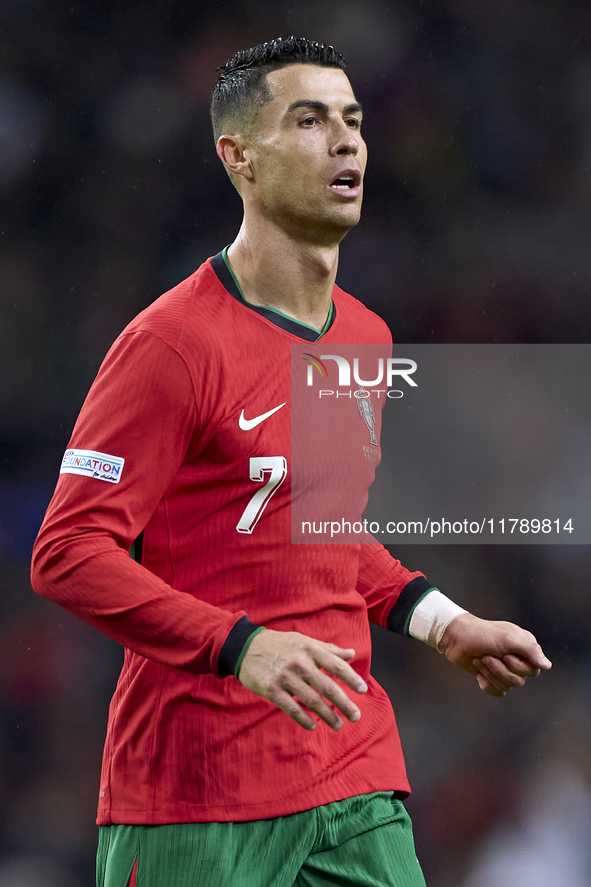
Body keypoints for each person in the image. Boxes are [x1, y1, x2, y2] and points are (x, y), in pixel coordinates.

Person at [31, 36, 551, 887]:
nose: (344, 140)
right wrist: (243, 648)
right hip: (196, 797)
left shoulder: (365, 337)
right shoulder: (170, 344)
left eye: (351, 120)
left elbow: (323, 531)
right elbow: (67, 555)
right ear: (237, 157)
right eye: (308, 121)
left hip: (350, 780)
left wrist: (442, 622)